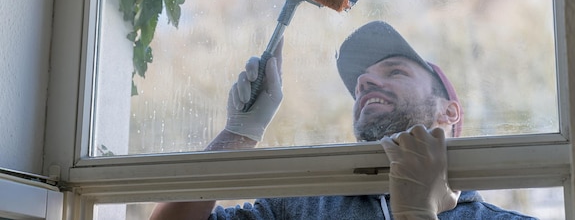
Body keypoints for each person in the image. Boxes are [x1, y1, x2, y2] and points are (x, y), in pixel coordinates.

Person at [150, 21, 537, 220]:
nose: (365, 80)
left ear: (449, 112)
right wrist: (237, 135)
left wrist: (417, 213)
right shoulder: (301, 210)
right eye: (361, 82)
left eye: (396, 72)